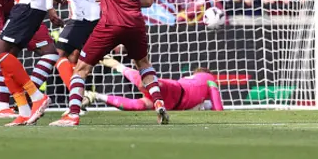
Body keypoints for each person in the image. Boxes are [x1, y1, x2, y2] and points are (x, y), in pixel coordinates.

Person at [42, 0, 169, 126]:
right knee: (144, 64)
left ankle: (72, 114)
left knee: (81, 68)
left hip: (110, 23)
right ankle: (159, 103)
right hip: (135, 23)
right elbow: (148, 0)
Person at [87, 59, 223, 112]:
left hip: (175, 92)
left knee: (141, 103)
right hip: (175, 94)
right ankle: (99, 94)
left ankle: (97, 94)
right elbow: (218, 107)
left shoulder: (195, 78)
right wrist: (218, 111)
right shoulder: (210, 79)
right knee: (146, 86)